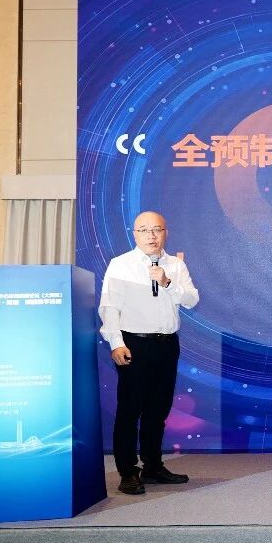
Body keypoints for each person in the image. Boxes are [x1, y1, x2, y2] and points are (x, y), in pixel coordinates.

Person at [98, 211, 200, 494]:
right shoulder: (121, 264)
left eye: (157, 229)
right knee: (130, 409)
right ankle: (128, 472)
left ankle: (153, 466)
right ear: (134, 234)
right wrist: (116, 343)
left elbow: (192, 300)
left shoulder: (175, 265)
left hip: (167, 345)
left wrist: (167, 282)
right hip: (134, 344)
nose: (151, 236)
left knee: (159, 409)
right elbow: (109, 307)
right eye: (144, 230)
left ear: (166, 232)